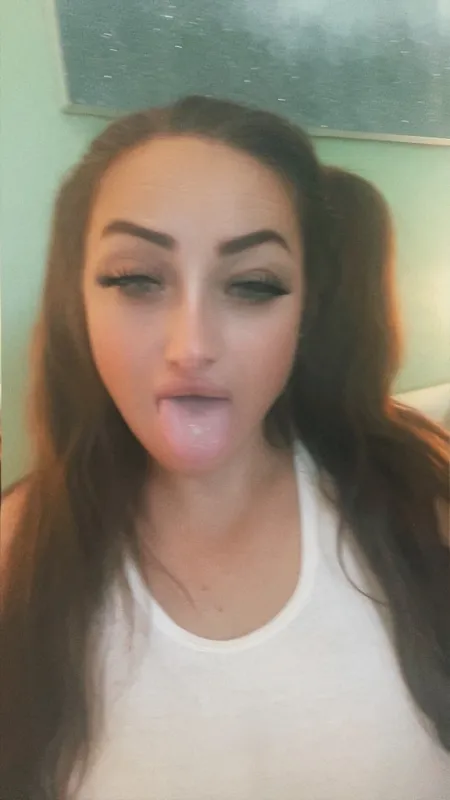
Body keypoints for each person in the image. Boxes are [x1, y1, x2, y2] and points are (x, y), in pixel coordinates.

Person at [1, 95, 449, 800]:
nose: (193, 346)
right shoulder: (14, 552)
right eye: (135, 279)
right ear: (76, 303)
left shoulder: (424, 506)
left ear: (306, 312)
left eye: (252, 285)